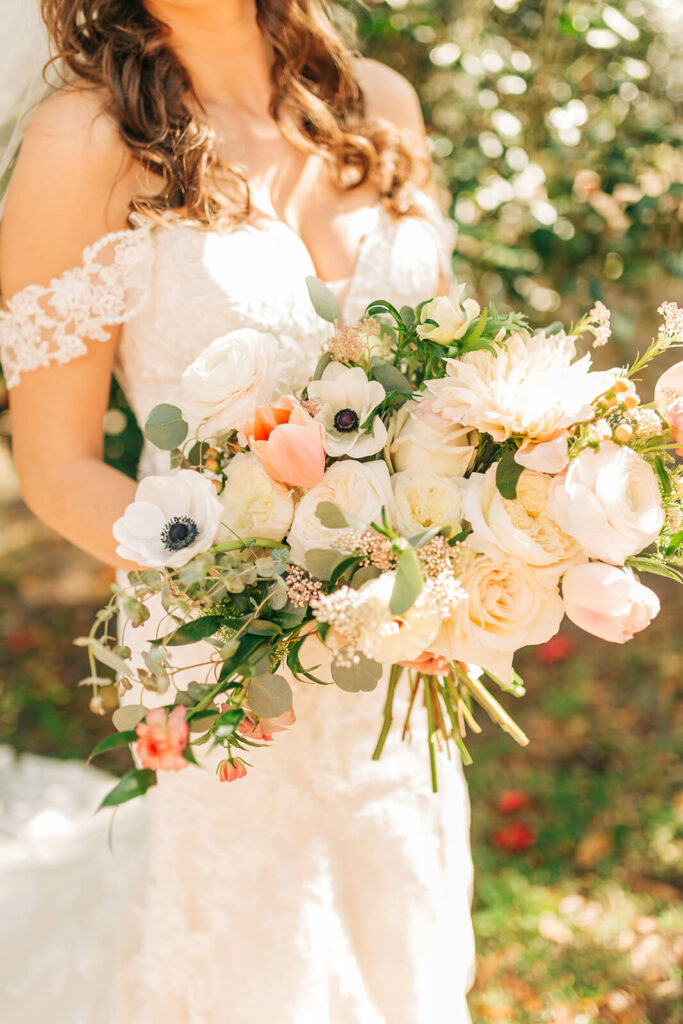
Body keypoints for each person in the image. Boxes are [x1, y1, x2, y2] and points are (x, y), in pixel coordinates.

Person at [0, 1, 475, 1020]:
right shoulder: (86, 140)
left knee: (400, 874)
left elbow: (441, 382)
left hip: (408, 626)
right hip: (226, 640)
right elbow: (57, 466)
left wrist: (483, 535)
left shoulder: (377, 104)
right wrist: (249, 594)